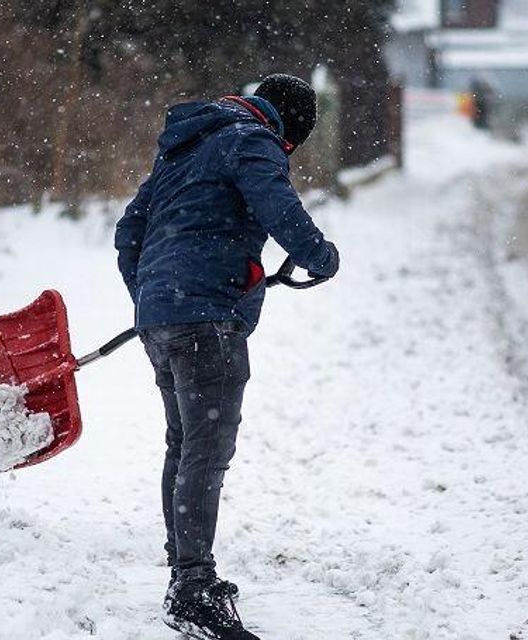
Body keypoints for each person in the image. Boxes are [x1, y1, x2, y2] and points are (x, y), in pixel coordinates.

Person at [114, 73, 339, 639]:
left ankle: (182, 561)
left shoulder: (187, 145)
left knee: (185, 442)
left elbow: (129, 231)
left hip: (164, 318)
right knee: (206, 450)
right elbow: (277, 207)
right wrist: (320, 254)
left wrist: (151, 295)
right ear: (289, 127)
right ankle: (191, 587)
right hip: (206, 320)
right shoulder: (251, 139)